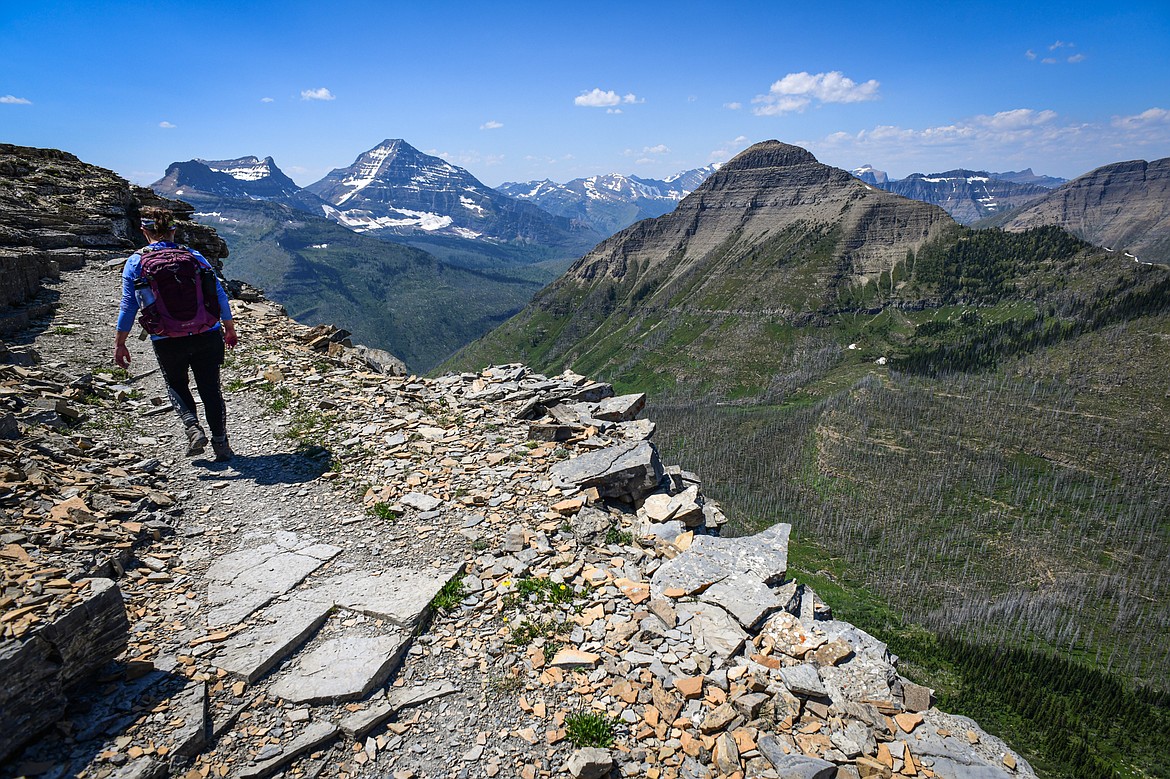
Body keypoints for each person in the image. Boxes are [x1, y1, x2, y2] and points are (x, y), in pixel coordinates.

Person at [114, 207, 238, 461]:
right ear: (173, 230)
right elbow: (218, 293)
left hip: (166, 337)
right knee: (211, 388)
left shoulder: (136, 262)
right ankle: (221, 444)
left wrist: (121, 342)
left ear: (144, 231)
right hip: (206, 332)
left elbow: (129, 305)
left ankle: (192, 427)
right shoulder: (193, 256)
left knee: (177, 384)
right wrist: (229, 327)